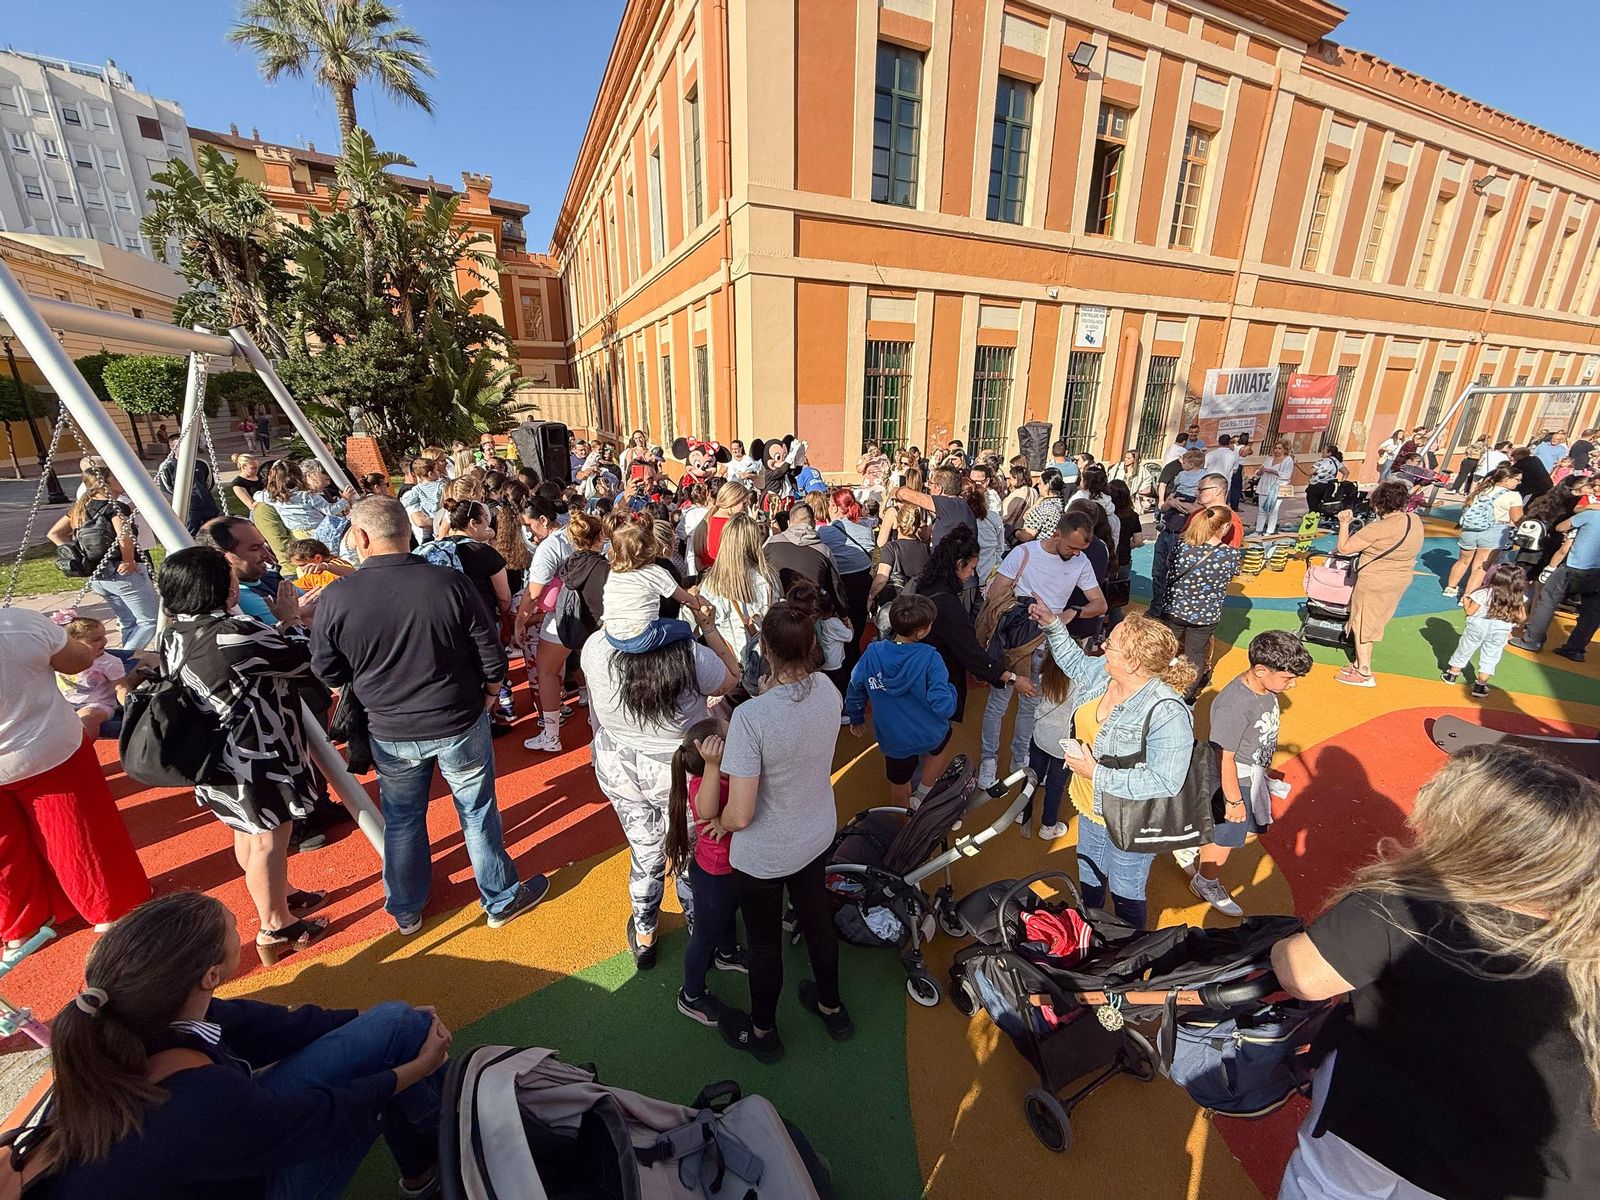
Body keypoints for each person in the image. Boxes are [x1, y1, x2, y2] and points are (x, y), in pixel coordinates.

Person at [1272, 746, 1600, 1200]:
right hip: (1531, 1171)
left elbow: (1301, 975)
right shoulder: (1587, 939)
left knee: (1322, 1188)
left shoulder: (1401, 907)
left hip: (1377, 1127)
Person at [19, 892, 449, 1200]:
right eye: (234, 928)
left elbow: (276, 1027)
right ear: (210, 975)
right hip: (243, 1172)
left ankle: (427, 1167)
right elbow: (321, 1118)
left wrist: (363, 1022)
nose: (239, 929)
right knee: (385, 1065)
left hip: (201, 1164)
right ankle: (452, 1146)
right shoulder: (197, 1097)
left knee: (395, 1026)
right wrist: (415, 1068)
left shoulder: (127, 1025)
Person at [312, 497, 548, 934]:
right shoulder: (447, 583)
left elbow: (327, 669)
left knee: (403, 817)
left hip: (389, 726)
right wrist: (492, 694)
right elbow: (490, 651)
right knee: (476, 810)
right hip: (457, 716)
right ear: (406, 530)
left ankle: (405, 906)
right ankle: (498, 898)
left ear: (362, 538)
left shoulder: (338, 596)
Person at [157, 547, 331, 962]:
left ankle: (280, 895)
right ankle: (276, 925)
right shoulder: (231, 631)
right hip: (255, 753)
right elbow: (303, 661)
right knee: (271, 837)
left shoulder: (174, 631)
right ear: (218, 586)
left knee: (246, 832)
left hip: (214, 755)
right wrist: (290, 619)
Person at [710, 603, 852, 1062]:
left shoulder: (752, 717)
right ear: (811, 645)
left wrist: (720, 823)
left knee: (764, 944)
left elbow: (741, 812)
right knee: (817, 922)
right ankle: (832, 1006)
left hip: (766, 853)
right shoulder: (829, 689)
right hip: (815, 832)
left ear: (765, 649)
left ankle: (764, 1031)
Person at [583, 603, 742, 969]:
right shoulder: (689, 653)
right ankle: (702, 932)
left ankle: (645, 936)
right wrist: (707, 626)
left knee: (645, 853)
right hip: (679, 770)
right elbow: (732, 678)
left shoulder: (596, 646)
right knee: (689, 855)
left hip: (620, 764)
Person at [1030, 606, 1196, 930]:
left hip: (1133, 821)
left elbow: (1166, 781)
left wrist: (1096, 773)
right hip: (1092, 807)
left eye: (1113, 644)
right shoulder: (1105, 674)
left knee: (1126, 892)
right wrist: (1052, 626)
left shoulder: (1168, 712)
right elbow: (1074, 663)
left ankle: (1128, 954)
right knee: (1089, 877)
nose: (1104, 645)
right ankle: (1090, 933)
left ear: (1133, 662)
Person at [0, 607, 149, 963]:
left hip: (37, 744)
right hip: (44, 747)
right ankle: (110, 908)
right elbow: (76, 661)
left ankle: (21, 926)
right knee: (78, 831)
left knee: (3, 849)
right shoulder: (19, 623)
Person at [1182, 630, 1311, 916]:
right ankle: (1206, 881)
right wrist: (1234, 800)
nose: (1293, 685)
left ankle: (1195, 847)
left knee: (1239, 831)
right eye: (1288, 678)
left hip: (1248, 775)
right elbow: (1224, 756)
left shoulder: (1265, 690)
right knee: (1228, 834)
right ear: (1261, 670)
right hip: (1234, 780)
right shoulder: (1234, 705)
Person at [977, 509, 1107, 790]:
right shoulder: (1023, 553)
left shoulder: (1081, 561)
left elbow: (1100, 604)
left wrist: (1071, 613)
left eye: (1081, 549)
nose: (1076, 554)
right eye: (1072, 547)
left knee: (1031, 704)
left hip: (1048, 644)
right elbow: (994, 596)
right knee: (998, 704)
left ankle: (1018, 759)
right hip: (1013, 642)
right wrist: (1023, 608)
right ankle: (989, 760)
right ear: (1056, 535)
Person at [913, 527, 1033, 803]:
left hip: (916, 681)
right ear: (958, 565)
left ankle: (913, 794)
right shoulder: (948, 606)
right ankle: (920, 799)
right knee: (935, 743)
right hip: (937, 683)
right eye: (971, 569)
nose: (971, 575)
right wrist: (1011, 677)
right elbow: (970, 654)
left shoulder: (924, 587)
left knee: (916, 745)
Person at [665, 719, 747, 1028]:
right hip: (715, 874)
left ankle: (727, 953)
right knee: (704, 936)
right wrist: (713, 766)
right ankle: (692, 994)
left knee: (728, 914)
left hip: (729, 870)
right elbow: (709, 809)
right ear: (714, 752)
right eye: (730, 733)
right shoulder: (705, 782)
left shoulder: (724, 773)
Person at [845, 594, 957, 808]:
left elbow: (855, 687)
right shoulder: (931, 658)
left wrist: (856, 716)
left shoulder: (873, 653)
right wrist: (952, 691)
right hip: (929, 732)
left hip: (894, 738)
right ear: (922, 631)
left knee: (899, 783)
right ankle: (924, 791)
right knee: (943, 742)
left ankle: (903, 826)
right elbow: (943, 707)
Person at [46, 465, 159, 652]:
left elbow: (54, 533)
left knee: (128, 621)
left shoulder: (79, 509)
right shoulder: (115, 507)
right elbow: (124, 535)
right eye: (116, 477)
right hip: (122, 573)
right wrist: (128, 560)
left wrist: (76, 553)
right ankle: (124, 659)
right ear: (104, 483)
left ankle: (124, 660)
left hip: (97, 575)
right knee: (149, 621)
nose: (121, 480)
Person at [1333, 480, 1423, 687]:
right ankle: (1358, 663)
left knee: (1363, 622)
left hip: (1375, 580)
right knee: (1374, 620)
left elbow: (1344, 548)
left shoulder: (1377, 529)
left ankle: (1364, 671)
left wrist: (1344, 524)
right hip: (1401, 577)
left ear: (1379, 504)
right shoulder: (1414, 520)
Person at [1160, 505, 1242, 702]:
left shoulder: (1183, 546)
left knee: (1167, 648)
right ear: (1224, 527)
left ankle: (1160, 681)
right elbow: (1228, 578)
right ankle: (1187, 693)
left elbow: (1169, 565)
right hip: (1205, 615)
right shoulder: (1229, 555)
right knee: (1195, 654)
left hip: (1175, 608)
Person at [601, 520, 709, 652]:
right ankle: (692, 654)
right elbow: (685, 599)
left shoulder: (615, 572)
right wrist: (699, 605)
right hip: (642, 636)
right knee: (685, 628)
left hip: (612, 635)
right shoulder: (655, 571)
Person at [200, 516, 317, 630]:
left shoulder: (269, 576)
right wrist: (297, 615)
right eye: (255, 548)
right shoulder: (238, 596)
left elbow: (312, 603)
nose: (267, 554)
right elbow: (291, 630)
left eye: (264, 545)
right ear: (222, 556)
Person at [1441, 563, 1527, 697]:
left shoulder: (1484, 593)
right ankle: (1480, 685)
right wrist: (1509, 624)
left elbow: (1470, 612)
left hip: (1477, 627)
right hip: (1499, 631)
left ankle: (1452, 674)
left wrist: (1465, 602)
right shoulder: (1517, 598)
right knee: (1491, 655)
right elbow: (1522, 618)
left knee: (1465, 648)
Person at [816, 488, 876, 671]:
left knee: (835, 635)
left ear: (834, 507)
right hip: (861, 588)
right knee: (855, 634)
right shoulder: (867, 531)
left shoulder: (824, 533)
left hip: (838, 591)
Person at [1442, 464, 1523, 598]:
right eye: (1517, 479)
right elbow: (1517, 517)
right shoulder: (1513, 496)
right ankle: (1468, 595)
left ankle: (1450, 587)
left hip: (1470, 528)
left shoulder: (1481, 489)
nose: (1519, 483)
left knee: (1463, 560)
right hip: (1495, 529)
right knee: (1481, 566)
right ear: (1506, 479)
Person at [56, 615, 134, 738]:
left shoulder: (109, 662)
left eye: (104, 637)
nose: (104, 641)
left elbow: (120, 687)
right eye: (96, 639)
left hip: (98, 704)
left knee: (86, 718)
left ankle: (84, 751)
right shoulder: (60, 658)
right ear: (73, 642)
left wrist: (131, 706)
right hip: (66, 703)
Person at [761, 501, 847, 601]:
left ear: (789, 523)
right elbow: (835, 586)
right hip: (811, 610)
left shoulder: (770, 544)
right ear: (814, 524)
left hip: (778, 608)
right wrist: (843, 614)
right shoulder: (824, 551)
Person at [892, 466, 980, 551]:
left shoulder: (946, 504)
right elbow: (925, 536)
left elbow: (904, 494)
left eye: (931, 483)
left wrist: (896, 491)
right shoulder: (962, 505)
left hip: (948, 564)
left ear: (938, 488)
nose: (928, 487)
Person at [153, 432, 222, 534]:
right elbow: (167, 488)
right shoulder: (167, 466)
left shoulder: (201, 463)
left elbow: (209, 482)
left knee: (215, 531)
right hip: (187, 508)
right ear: (173, 448)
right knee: (190, 533)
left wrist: (200, 494)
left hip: (207, 503)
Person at [1252, 440, 1296, 535]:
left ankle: (1269, 531)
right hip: (1264, 485)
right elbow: (1259, 470)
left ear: (1285, 450)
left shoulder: (1288, 460)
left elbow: (1286, 475)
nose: (1277, 450)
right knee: (1261, 510)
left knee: (1273, 510)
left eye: (1279, 448)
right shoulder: (1269, 458)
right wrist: (1260, 472)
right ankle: (1258, 530)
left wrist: (1272, 471)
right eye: (1275, 448)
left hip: (1277, 487)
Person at [283, 537, 353, 592]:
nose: (301, 569)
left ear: (318, 558)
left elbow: (352, 573)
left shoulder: (336, 565)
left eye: (302, 565)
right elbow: (295, 587)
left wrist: (326, 567)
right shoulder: (313, 574)